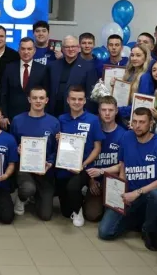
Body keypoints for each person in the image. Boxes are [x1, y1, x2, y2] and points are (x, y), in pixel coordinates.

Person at [98, 108, 157, 251]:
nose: (137, 126)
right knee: (105, 232)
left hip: (148, 195)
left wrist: (138, 192)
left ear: (151, 123)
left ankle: (148, 230)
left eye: (142, 122)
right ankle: (138, 220)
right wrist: (122, 188)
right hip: (129, 194)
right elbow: (123, 164)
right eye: (135, 122)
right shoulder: (126, 137)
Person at [55, 85, 104, 227]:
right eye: (73, 99)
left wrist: (83, 165)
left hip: (84, 167)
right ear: (68, 100)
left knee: (72, 187)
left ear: (85, 101)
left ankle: (78, 211)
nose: (77, 102)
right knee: (65, 212)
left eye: (80, 99)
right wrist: (59, 140)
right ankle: (78, 198)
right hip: (64, 166)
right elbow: (60, 146)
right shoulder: (61, 119)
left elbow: (97, 148)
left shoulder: (93, 120)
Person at [10, 87, 59, 221]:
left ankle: (36, 196)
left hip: (44, 169)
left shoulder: (54, 122)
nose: (38, 101)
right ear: (29, 100)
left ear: (46, 100)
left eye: (41, 98)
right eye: (35, 98)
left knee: (45, 215)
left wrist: (50, 163)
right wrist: (17, 150)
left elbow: (56, 149)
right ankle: (22, 197)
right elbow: (11, 144)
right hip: (24, 167)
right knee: (28, 188)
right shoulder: (18, 120)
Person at [83, 96, 127, 222]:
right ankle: (86, 194)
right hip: (94, 181)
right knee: (92, 215)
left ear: (116, 111)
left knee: (114, 214)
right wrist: (90, 180)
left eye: (110, 110)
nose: (107, 113)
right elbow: (85, 159)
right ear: (99, 111)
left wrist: (102, 171)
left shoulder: (124, 134)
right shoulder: (92, 131)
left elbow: (123, 164)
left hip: (113, 180)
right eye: (104, 110)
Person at [46, 35, 98, 117]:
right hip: (53, 113)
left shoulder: (88, 67)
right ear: (62, 49)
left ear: (78, 48)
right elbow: (48, 90)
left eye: (73, 46)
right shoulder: (53, 66)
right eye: (67, 47)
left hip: (77, 114)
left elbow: (90, 95)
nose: (71, 49)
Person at [0, 37, 47, 120]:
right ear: (18, 50)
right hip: (12, 117)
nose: (26, 52)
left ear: (34, 51)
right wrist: (4, 115)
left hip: (35, 116)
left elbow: (46, 94)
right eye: (23, 49)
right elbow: (3, 94)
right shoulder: (9, 68)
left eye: (29, 49)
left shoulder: (43, 69)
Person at [115, 44, 151, 124]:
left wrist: (116, 109)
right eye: (132, 55)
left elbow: (142, 104)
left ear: (145, 57)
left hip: (134, 119)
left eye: (138, 55)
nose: (134, 58)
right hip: (123, 116)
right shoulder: (129, 73)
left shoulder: (145, 77)